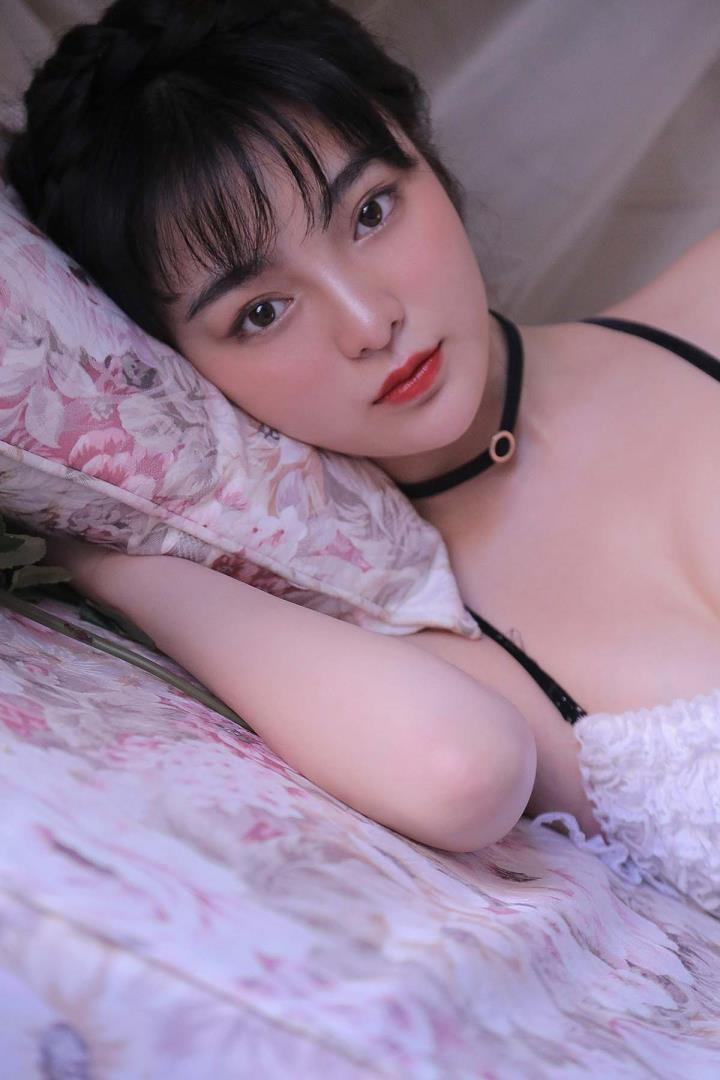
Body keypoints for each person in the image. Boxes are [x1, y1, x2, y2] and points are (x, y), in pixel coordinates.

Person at [5, 0, 719, 912]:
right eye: (261, 312)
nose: (369, 321)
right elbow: (457, 774)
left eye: (371, 212)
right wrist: (103, 555)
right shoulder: (417, 629)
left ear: (426, 154)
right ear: (182, 371)